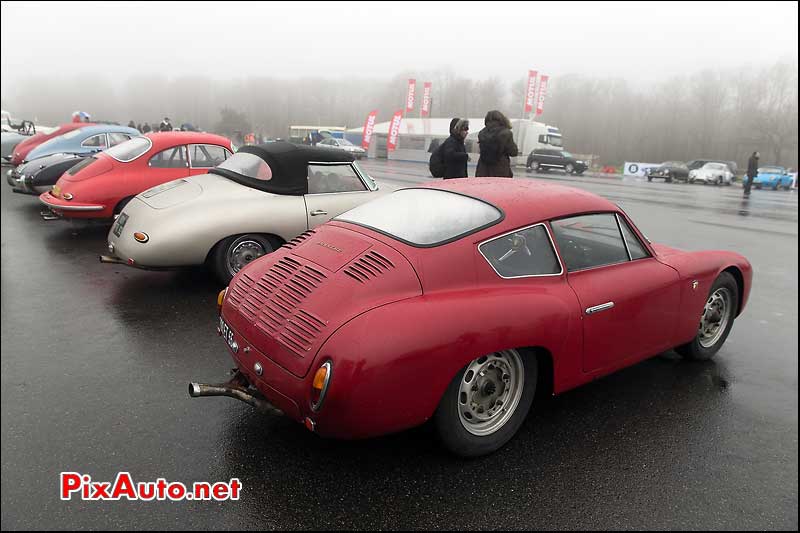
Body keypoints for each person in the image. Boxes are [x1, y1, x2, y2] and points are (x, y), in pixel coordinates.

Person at [475, 110, 518, 178]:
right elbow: (514, 152)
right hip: (500, 169)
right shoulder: (506, 133)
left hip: (483, 170)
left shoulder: (482, 133)